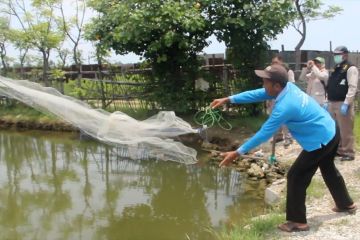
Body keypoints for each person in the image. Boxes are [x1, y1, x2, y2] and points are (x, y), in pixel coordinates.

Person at [210, 64, 356, 232]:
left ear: (276, 86)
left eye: (265, 82)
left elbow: (264, 133)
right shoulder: (287, 88)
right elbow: (258, 94)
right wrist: (229, 99)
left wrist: (237, 152)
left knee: (296, 176)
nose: (263, 86)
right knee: (328, 168)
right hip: (331, 130)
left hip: (320, 140)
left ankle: (297, 221)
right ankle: (346, 204)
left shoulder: (285, 106)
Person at [327, 46, 359, 161]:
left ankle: (348, 153)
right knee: (336, 129)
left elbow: (352, 87)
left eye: (338, 54)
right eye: (335, 54)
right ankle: (340, 150)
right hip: (332, 103)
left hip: (343, 103)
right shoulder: (337, 68)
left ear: (345, 54)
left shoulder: (351, 68)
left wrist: (346, 103)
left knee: (346, 130)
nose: (336, 56)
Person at [266, 55, 294, 146]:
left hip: (283, 99)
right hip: (273, 99)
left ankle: (288, 138)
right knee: (274, 118)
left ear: (281, 63)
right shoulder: (271, 73)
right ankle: (277, 136)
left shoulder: (288, 72)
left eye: (276, 62)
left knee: (284, 119)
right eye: (272, 62)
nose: (274, 64)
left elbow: (291, 86)